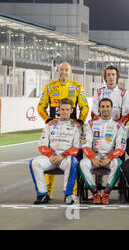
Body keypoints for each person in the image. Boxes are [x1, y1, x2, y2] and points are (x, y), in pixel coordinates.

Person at [37, 62, 89, 198]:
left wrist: (80, 121)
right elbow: (40, 107)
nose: (63, 72)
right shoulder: (49, 87)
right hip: (54, 127)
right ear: (57, 71)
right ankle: (47, 192)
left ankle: (73, 192)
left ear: (71, 72)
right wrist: (48, 120)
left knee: (74, 159)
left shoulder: (77, 87)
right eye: (61, 70)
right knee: (51, 154)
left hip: (72, 128)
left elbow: (85, 107)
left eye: (66, 70)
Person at [29, 98, 81, 204]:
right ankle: (43, 195)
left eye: (67, 109)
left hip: (65, 158)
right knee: (34, 162)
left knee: (73, 162)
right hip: (51, 157)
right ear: (58, 110)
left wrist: (63, 155)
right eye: (62, 109)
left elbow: (77, 147)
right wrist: (51, 155)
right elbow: (42, 145)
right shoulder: (50, 125)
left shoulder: (77, 126)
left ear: (72, 111)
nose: (64, 112)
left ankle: (68, 194)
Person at [79, 98, 127, 205]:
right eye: (102, 106)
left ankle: (106, 193)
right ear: (99, 109)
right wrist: (92, 158)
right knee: (82, 164)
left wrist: (109, 158)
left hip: (109, 159)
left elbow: (121, 147)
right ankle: (95, 192)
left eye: (107, 106)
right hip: (94, 158)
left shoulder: (119, 125)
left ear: (112, 108)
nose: (105, 109)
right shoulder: (91, 124)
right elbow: (85, 144)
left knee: (118, 163)